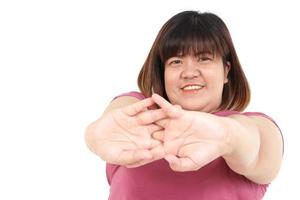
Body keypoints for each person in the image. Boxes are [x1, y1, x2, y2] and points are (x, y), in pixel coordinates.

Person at [85, 10, 283, 200]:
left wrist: (228, 137)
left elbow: (256, 145)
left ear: (226, 71)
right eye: (176, 61)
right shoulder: (141, 116)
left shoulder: (251, 126)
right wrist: (94, 134)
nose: (189, 72)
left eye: (204, 58)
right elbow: (120, 113)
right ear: (162, 72)